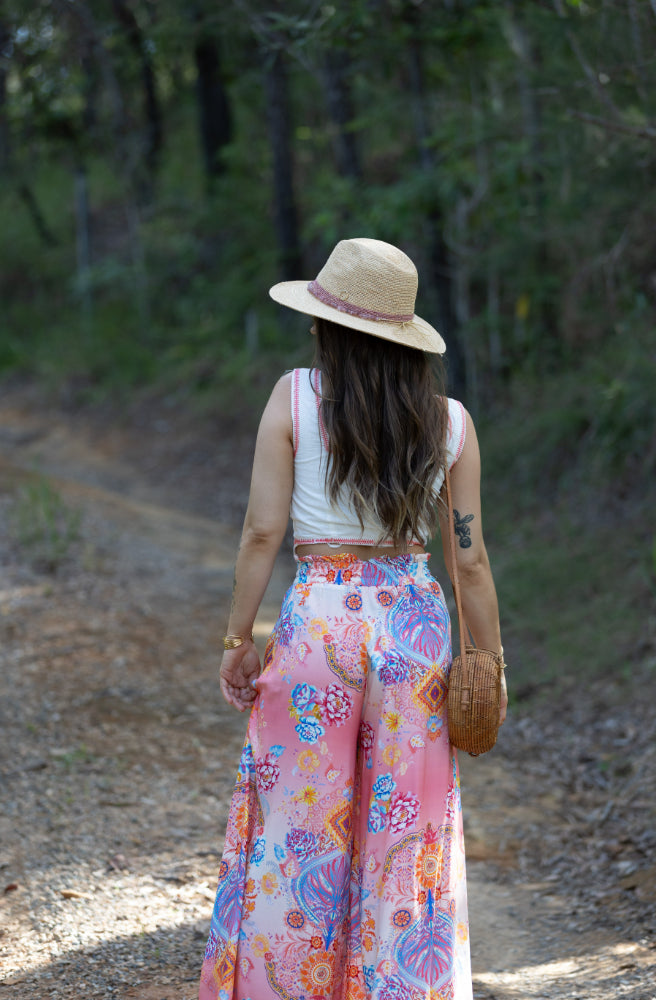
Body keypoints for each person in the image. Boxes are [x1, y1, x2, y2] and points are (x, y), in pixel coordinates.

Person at [199, 238, 506, 1000]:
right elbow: (467, 558)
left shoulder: (295, 398)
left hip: (319, 626)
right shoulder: (451, 422)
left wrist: (240, 639)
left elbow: (262, 533)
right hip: (414, 631)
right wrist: (491, 665)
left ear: (327, 327)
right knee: (410, 831)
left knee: (299, 829)